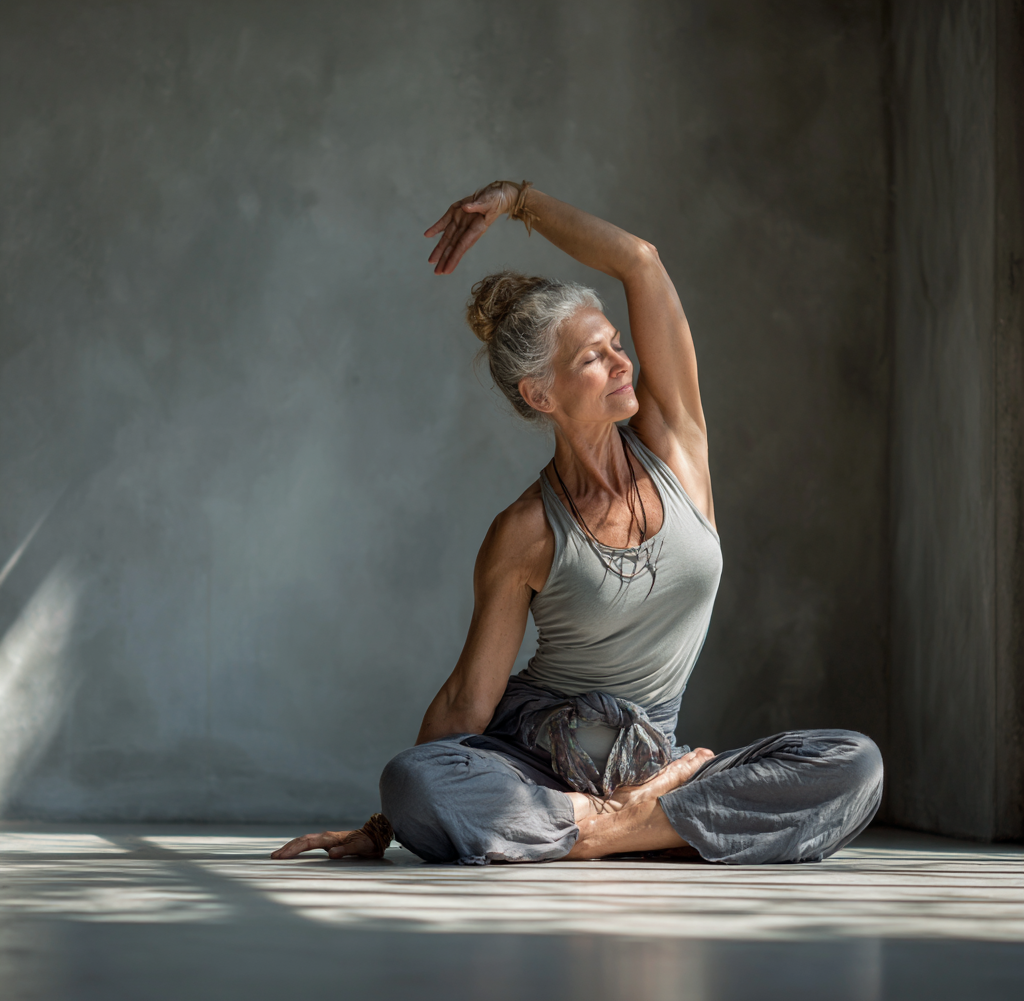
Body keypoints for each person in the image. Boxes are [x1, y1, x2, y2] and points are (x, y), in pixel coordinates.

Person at [271, 180, 883, 866]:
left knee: (853, 764)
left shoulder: (676, 449)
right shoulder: (527, 530)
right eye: (593, 357)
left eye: (616, 344)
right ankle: (650, 822)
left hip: (649, 756)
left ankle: (605, 829)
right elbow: (468, 702)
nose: (623, 361)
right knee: (416, 782)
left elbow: (641, 262)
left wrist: (519, 201)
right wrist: (384, 824)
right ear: (542, 394)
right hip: (537, 757)